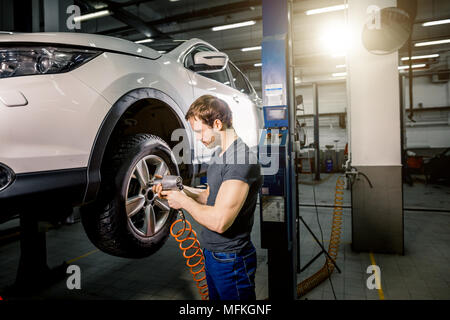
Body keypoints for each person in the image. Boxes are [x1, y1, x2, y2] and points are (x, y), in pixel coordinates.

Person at [153, 95, 262, 300]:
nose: (199, 138)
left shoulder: (240, 160)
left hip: (232, 259)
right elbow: (207, 197)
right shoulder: (219, 154)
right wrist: (179, 188)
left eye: (200, 131)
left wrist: (183, 202)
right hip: (213, 254)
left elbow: (220, 222)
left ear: (217, 124)